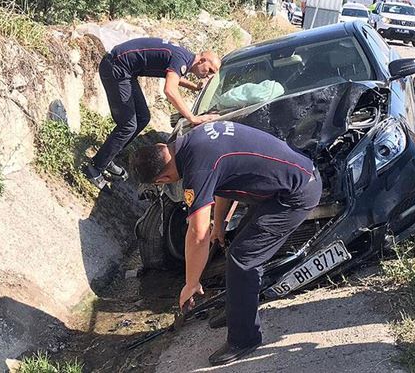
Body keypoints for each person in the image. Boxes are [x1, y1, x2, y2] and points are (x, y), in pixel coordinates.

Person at [129, 121, 322, 366]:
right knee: (239, 247)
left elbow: (197, 233)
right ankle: (237, 310)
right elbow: (221, 183)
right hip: (283, 188)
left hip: (296, 192)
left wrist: (191, 283)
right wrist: (219, 224)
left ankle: (245, 338)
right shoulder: (191, 142)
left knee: (244, 258)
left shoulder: (195, 167)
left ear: (163, 179)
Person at [84, 37, 220, 189]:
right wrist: (192, 117)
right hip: (116, 66)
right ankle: (94, 168)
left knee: (143, 118)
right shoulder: (181, 59)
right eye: (210, 70)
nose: (208, 75)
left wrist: (193, 87)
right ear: (202, 60)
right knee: (128, 125)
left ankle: (108, 157)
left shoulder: (183, 59)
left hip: (126, 70)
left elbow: (173, 76)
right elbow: (170, 89)